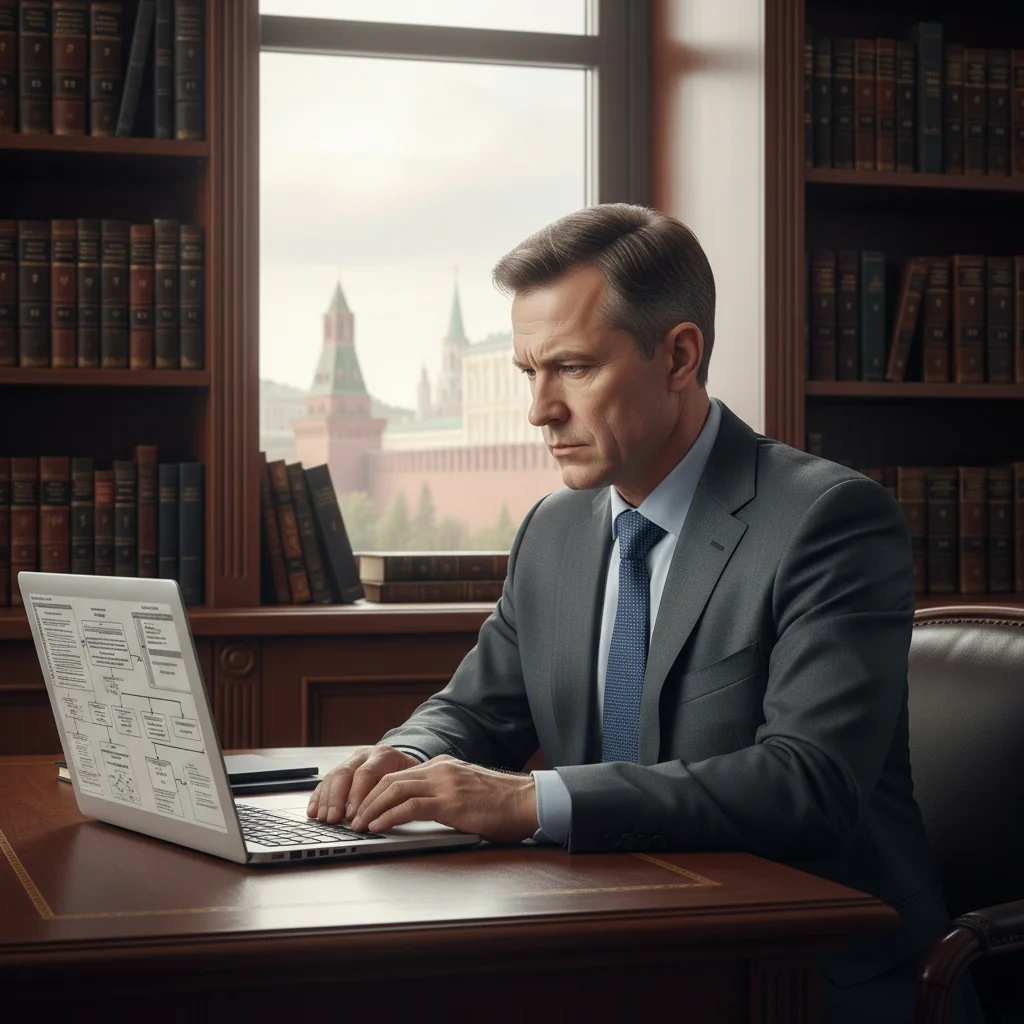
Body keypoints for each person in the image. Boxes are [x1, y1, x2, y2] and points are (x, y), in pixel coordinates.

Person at [306, 204, 980, 1023]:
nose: (539, 410)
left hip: (804, 972)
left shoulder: (829, 519)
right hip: (613, 944)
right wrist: (408, 755)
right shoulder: (555, 529)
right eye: (529, 373)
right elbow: (475, 709)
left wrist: (529, 801)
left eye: (574, 368)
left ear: (680, 356)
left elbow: (810, 783)